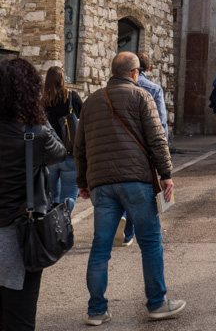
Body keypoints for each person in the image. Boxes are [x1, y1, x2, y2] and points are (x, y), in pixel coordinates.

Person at [74, 51, 185, 325]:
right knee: (150, 243)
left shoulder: (91, 101)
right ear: (135, 73)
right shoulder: (141, 96)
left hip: (102, 183)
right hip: (135, 181)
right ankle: (157, 302)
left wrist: (83, 182)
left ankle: (96, 311)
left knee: (100, 247)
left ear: (112, 71)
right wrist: (166, 174)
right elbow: (157, 137)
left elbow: (79, 147)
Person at [0, 57, 66, 331]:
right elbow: (59, 153)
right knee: (20, 319)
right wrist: (38, 115)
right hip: (19, 236)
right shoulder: (35, 133)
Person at [122, 52, 167, 246]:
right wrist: (163, 155)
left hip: (121, 144)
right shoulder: (154, 89)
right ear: (147, 68)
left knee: (121, 183)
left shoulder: (113, 89)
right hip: (144, 147)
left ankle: (123, 223)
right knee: (140, 189)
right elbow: (161, 124)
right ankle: (132, 230)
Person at [43, 64, 82, 213]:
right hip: (70, 152)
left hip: (50, 155)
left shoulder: (42, 102)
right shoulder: (72, 98)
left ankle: (53, 227)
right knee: (70, 195)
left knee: (51, 197)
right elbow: (84, 119)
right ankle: (63, 220)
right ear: (62, 80)